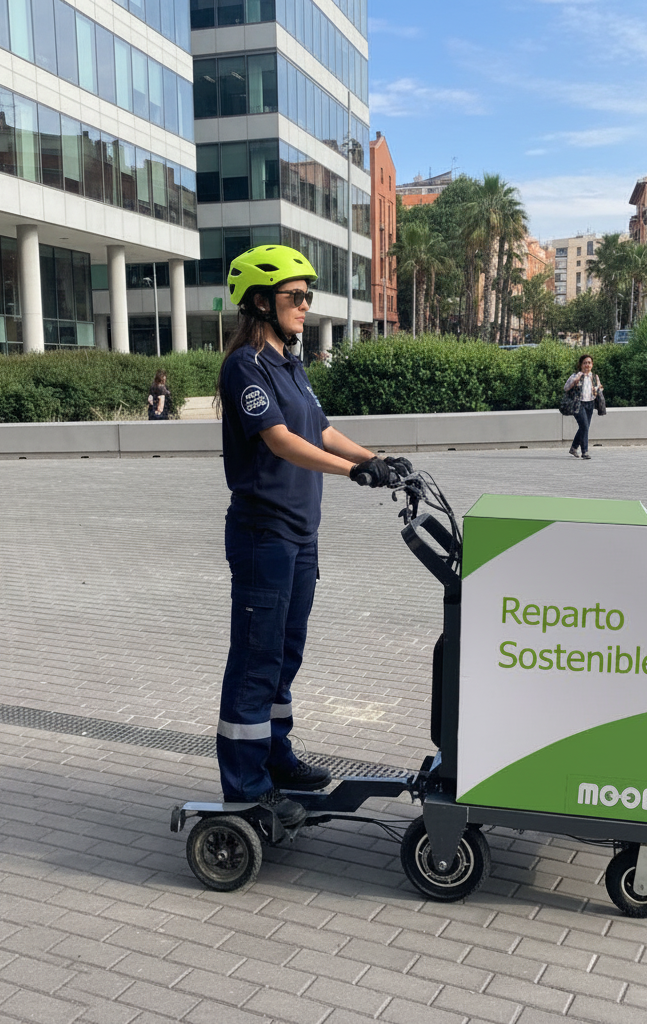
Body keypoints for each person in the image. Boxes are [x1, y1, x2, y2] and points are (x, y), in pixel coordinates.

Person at [215, 244, 412, 828]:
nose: (305, 305)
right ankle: (246, 787)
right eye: (294, 296)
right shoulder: (244, 366)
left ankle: (276, 757)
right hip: (263, 535)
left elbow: (320, 430)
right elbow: (278, 439)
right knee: (255, 660)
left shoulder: (289, 363)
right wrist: (354, 472)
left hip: (301, 535)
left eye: (307, 296)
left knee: (284, 656)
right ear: (259, 302)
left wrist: (378, 459)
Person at [564, 354, 603, 460]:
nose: (587, 365)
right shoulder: (576, 375)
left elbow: (598, 389)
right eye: (585, 363)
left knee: (584, 427)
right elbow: (566, 388)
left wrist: (598, 388)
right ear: (581, 365)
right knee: (585, 426)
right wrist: (574, 382)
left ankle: (573, 447)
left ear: (592, 365)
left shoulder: (594, 377)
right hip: (578, 403)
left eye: (589, 363)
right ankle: (584, 451)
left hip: (590, 403)